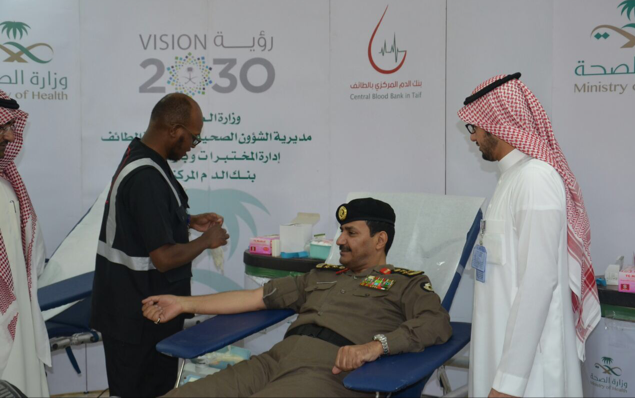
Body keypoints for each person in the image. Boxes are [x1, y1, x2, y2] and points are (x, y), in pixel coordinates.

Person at [142, 198, 452, 397]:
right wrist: (183, 304)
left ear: (380, 240)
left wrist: (375, 346)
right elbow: (254, 298)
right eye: (341, 231)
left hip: (327, 373)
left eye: (351, 233)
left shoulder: (405, 283)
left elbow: (436, 324)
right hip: (273, 361)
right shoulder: (322, 275)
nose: (340, 240)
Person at [458, 73, 600, 398]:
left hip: (530, 374)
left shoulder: (536, 179)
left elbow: (538, 283)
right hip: (501, 353)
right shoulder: (511, 179)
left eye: (475, 127)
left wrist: (508, 383)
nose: (473, 136)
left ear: (496, 123)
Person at [90, 93, 230, 397]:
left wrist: (187, 220)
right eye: (193, 137)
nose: (192, 146)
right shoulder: (146, 177)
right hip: (138, 316)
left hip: (139, 307)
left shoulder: (142, 155)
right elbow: (164, 258)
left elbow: (143, 218)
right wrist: (206, 241)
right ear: (174, 130)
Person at [0, 90, 50, 397]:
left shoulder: (7, 180)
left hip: (17, 308)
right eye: (3, 127)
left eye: (11, 126)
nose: (10, 135)